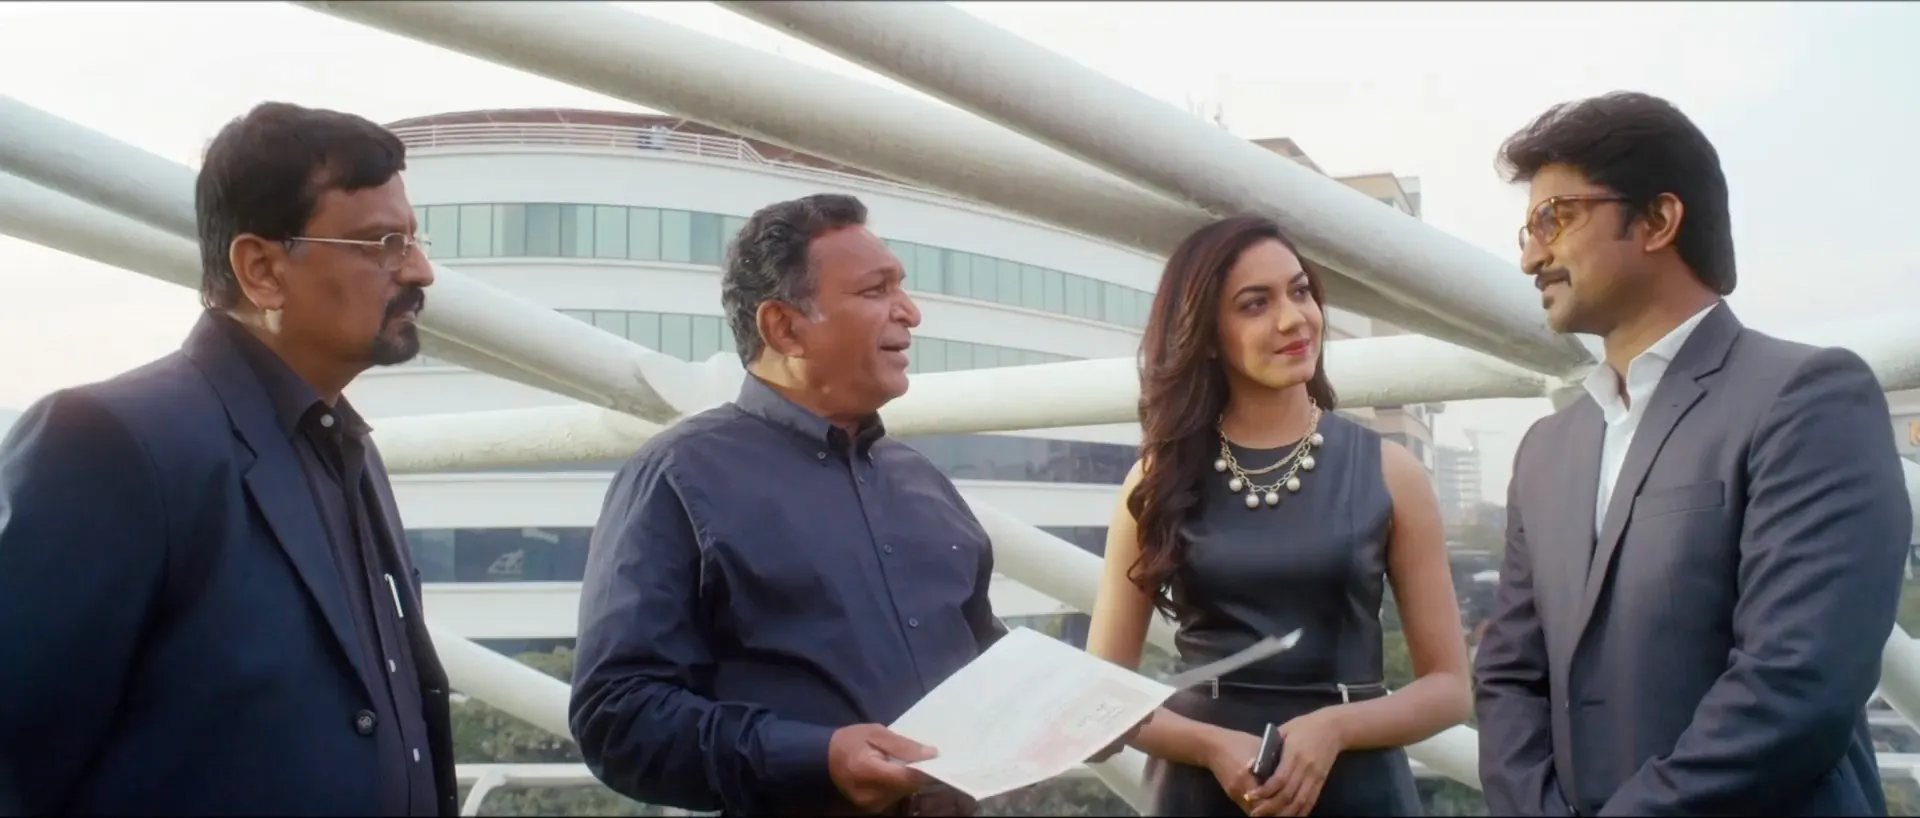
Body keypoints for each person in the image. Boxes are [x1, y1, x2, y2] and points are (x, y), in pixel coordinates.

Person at [0, 102, 455, 815]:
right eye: (381, 243)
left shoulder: (350, 451)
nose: (420, 271)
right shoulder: (111, 441)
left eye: (414, 239)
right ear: (262, 270)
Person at [1474, 91, 1910, 817]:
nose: (1529, 257)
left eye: (1556, 218)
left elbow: (1797, 683)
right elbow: (1509, 673)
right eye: (1528, 229)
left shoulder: (1806, 398)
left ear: (1658, 219)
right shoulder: (1548, 449)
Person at [570, 193, 1002, 817]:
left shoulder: (923, 480)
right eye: (876, 291)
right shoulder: (678, 476)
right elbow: (619, 717)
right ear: (784, 327)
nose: (910, 313)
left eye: (901, 288)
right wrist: (817, 757)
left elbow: (985, 658)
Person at [1085, 214, 1472, 816]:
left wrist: (1336, 727)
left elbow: (1449, 689)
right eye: (1255, 304)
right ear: (1206, 336)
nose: (1293, 318)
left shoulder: (1391, 472)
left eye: (1300, 291)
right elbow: (1098, 694)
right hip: (1199, 791)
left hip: (1358, 787)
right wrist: (1209, 745)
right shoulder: (1157, 481)